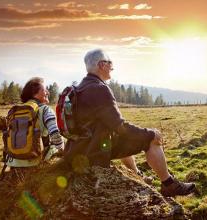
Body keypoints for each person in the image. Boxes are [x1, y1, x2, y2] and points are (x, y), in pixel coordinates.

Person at [64, 49, 195, 197]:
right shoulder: (100, 89)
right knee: (150, 140)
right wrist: (150, 133)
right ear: (102, 65)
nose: (112, 67)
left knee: (122, 137)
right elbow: (120, 127)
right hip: (94, 152)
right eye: (110, 63)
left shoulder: (79, 88)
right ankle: (169, 184)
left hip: (78, 149)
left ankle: (137, 175)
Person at [6, 77, 64, 170]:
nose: (47, 92)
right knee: (61, 142)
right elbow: (55, 135)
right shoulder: (45, 110)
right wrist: (62, 151)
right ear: (34, 93)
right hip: (35, 160)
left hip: (15, 160)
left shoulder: (15, 110)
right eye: (44, 90)